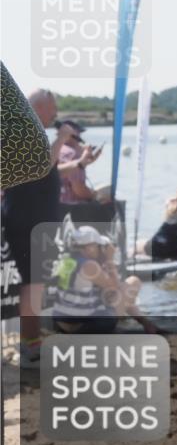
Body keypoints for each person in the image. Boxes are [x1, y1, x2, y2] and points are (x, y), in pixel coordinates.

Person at [0, 89, 77, 367]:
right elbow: (41, 165)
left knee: (35, 282)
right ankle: (30, 343)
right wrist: (62, 137)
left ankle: (30, 340)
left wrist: (80, 162)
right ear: (39, 107)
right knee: (32, 283)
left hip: (34, 218)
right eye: (52, 108)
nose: (56, 114)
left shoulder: (29, 133)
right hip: (27, 219)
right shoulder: (22, 132)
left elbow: (47, 170)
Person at [52, 223, 158, 334]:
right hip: (80, 327)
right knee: (133, 282)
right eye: (98, 245)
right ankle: (147, 325)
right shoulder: (89, 266)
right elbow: (116, 287)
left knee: (113, 294)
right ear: (89, 248)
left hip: (61, 323)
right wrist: (109, 258)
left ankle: (147, 324)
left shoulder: (67, 260)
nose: (101, 248)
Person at [56, 120, 104, 204]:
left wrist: (86, 160)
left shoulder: (56, 151)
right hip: (73, 207)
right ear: (73, 135)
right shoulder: (73, 155)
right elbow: (79, 189)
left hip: (58, 204)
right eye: (79, 133)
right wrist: (95, 196)